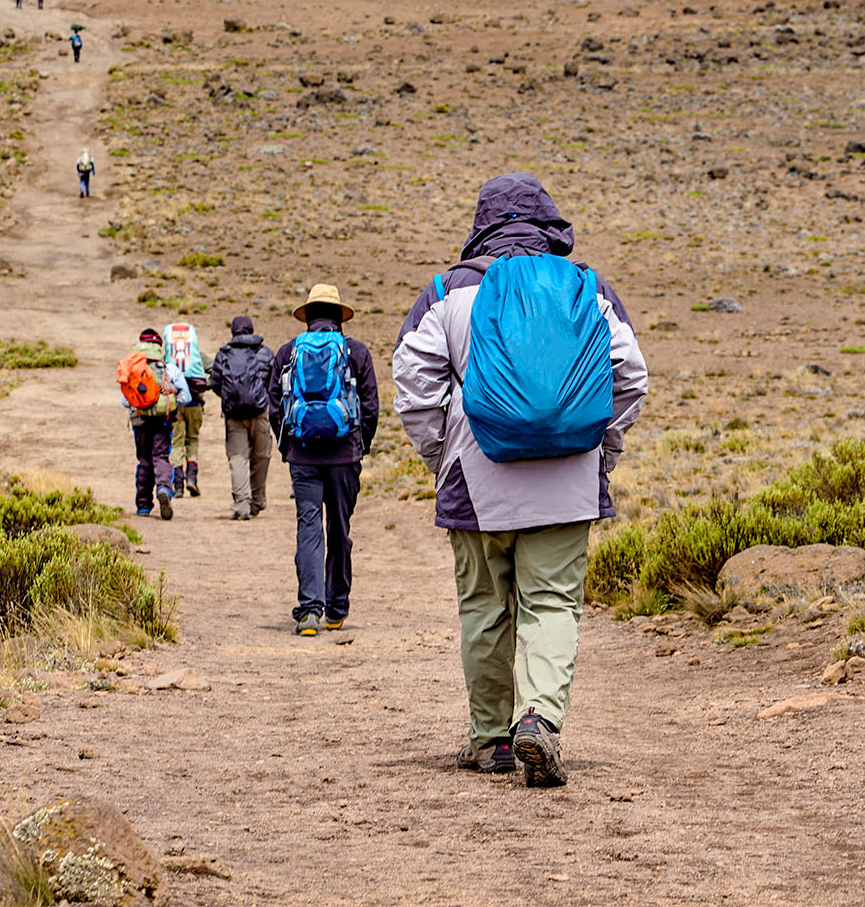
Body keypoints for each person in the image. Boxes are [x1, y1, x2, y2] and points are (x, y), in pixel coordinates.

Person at [392, 174, 648, 788]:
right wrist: (599, 451)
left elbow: (413, 385)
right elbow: (630, 377)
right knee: (552, 603)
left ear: (482, 222)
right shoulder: (587, 287)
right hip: (567, 477)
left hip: (476, 479)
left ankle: (490, 740)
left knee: (484, 608)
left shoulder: (446, 292)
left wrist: (443, 455)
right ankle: (538, 719)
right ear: (549, 223)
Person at [269, 284, 378, 637]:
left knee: (309, 527)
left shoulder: (287, 352)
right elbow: (371, 407)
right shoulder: (356, 351)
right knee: (339, 528)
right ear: (339, 317)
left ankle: (310, 611)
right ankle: (337, 608)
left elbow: (274, 405)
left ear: (309, 316)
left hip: (302, 454)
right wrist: (362, 444)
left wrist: (288, 446)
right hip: (345, 453)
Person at [209, 314, 275, 519]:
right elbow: (273, 383)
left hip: (234, 416)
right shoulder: (264, 353)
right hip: (260, 412)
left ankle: (241, 504)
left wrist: (230, 399)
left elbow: (215, 383)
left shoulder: (224, 354)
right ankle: (258, 500)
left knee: (238, 458)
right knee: (261, 456)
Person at [122, 328, 178, 518]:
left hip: (140, 422)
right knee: (161, 456)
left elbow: (125, 400)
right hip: (163, 421)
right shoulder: (169, 369)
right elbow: (184, 396)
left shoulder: (134, 370)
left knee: (144, 460)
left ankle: (144, 506)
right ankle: (164, 488)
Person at [163, 320, 210, 498]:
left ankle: (178, 485)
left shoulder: (166, 357)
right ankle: (192, 479)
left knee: (176, 443)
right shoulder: (198, 356)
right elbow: (215, 369)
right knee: (192, 440)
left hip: (175, 407)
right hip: (195, 405)